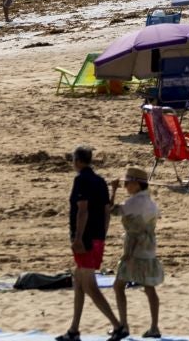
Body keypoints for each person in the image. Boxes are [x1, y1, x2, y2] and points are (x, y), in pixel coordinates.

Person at [65, 146, 121, 341]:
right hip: (97, 237)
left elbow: (83, 210)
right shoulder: (100, 181)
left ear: (78, 161)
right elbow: (107, 211)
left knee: (89, 286)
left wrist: (78, 238)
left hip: (86, 239)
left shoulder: (81, 180)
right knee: (79, 282)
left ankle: (118, 326)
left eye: (73, 159)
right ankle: (74, 330)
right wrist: (102, 236)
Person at [110, 167, 163, 339]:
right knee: (149, 287)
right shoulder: (151, 203)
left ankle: (123, 325)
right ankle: (154, 327)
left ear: (137, 184)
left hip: (134, 249)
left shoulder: (133, 202)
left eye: (127, 183)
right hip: (148, 248)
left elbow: (112, 210)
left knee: (119, 286)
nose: (125, 186)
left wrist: (113, 190)